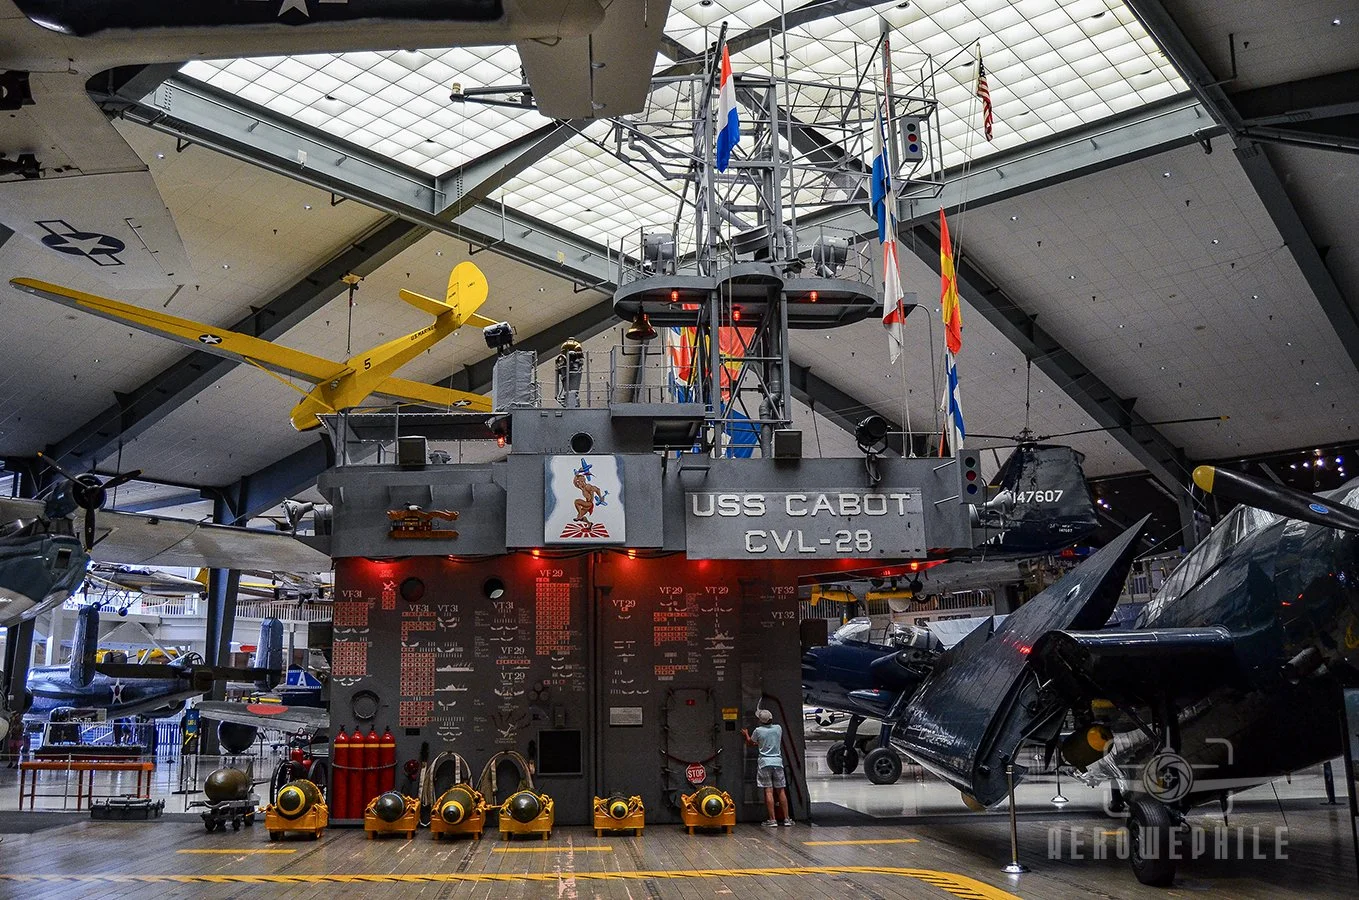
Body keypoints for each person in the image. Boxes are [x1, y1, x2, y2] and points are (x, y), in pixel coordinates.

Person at [742, 708, 791, 826]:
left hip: (764, 763)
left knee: (768, 791)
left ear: (760, 720)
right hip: (778, 762)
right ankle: (787, 819)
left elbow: (750, 743)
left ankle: (772, 819)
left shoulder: (758, 731)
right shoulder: (778, 728)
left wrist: (746, 734)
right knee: (781, 790)